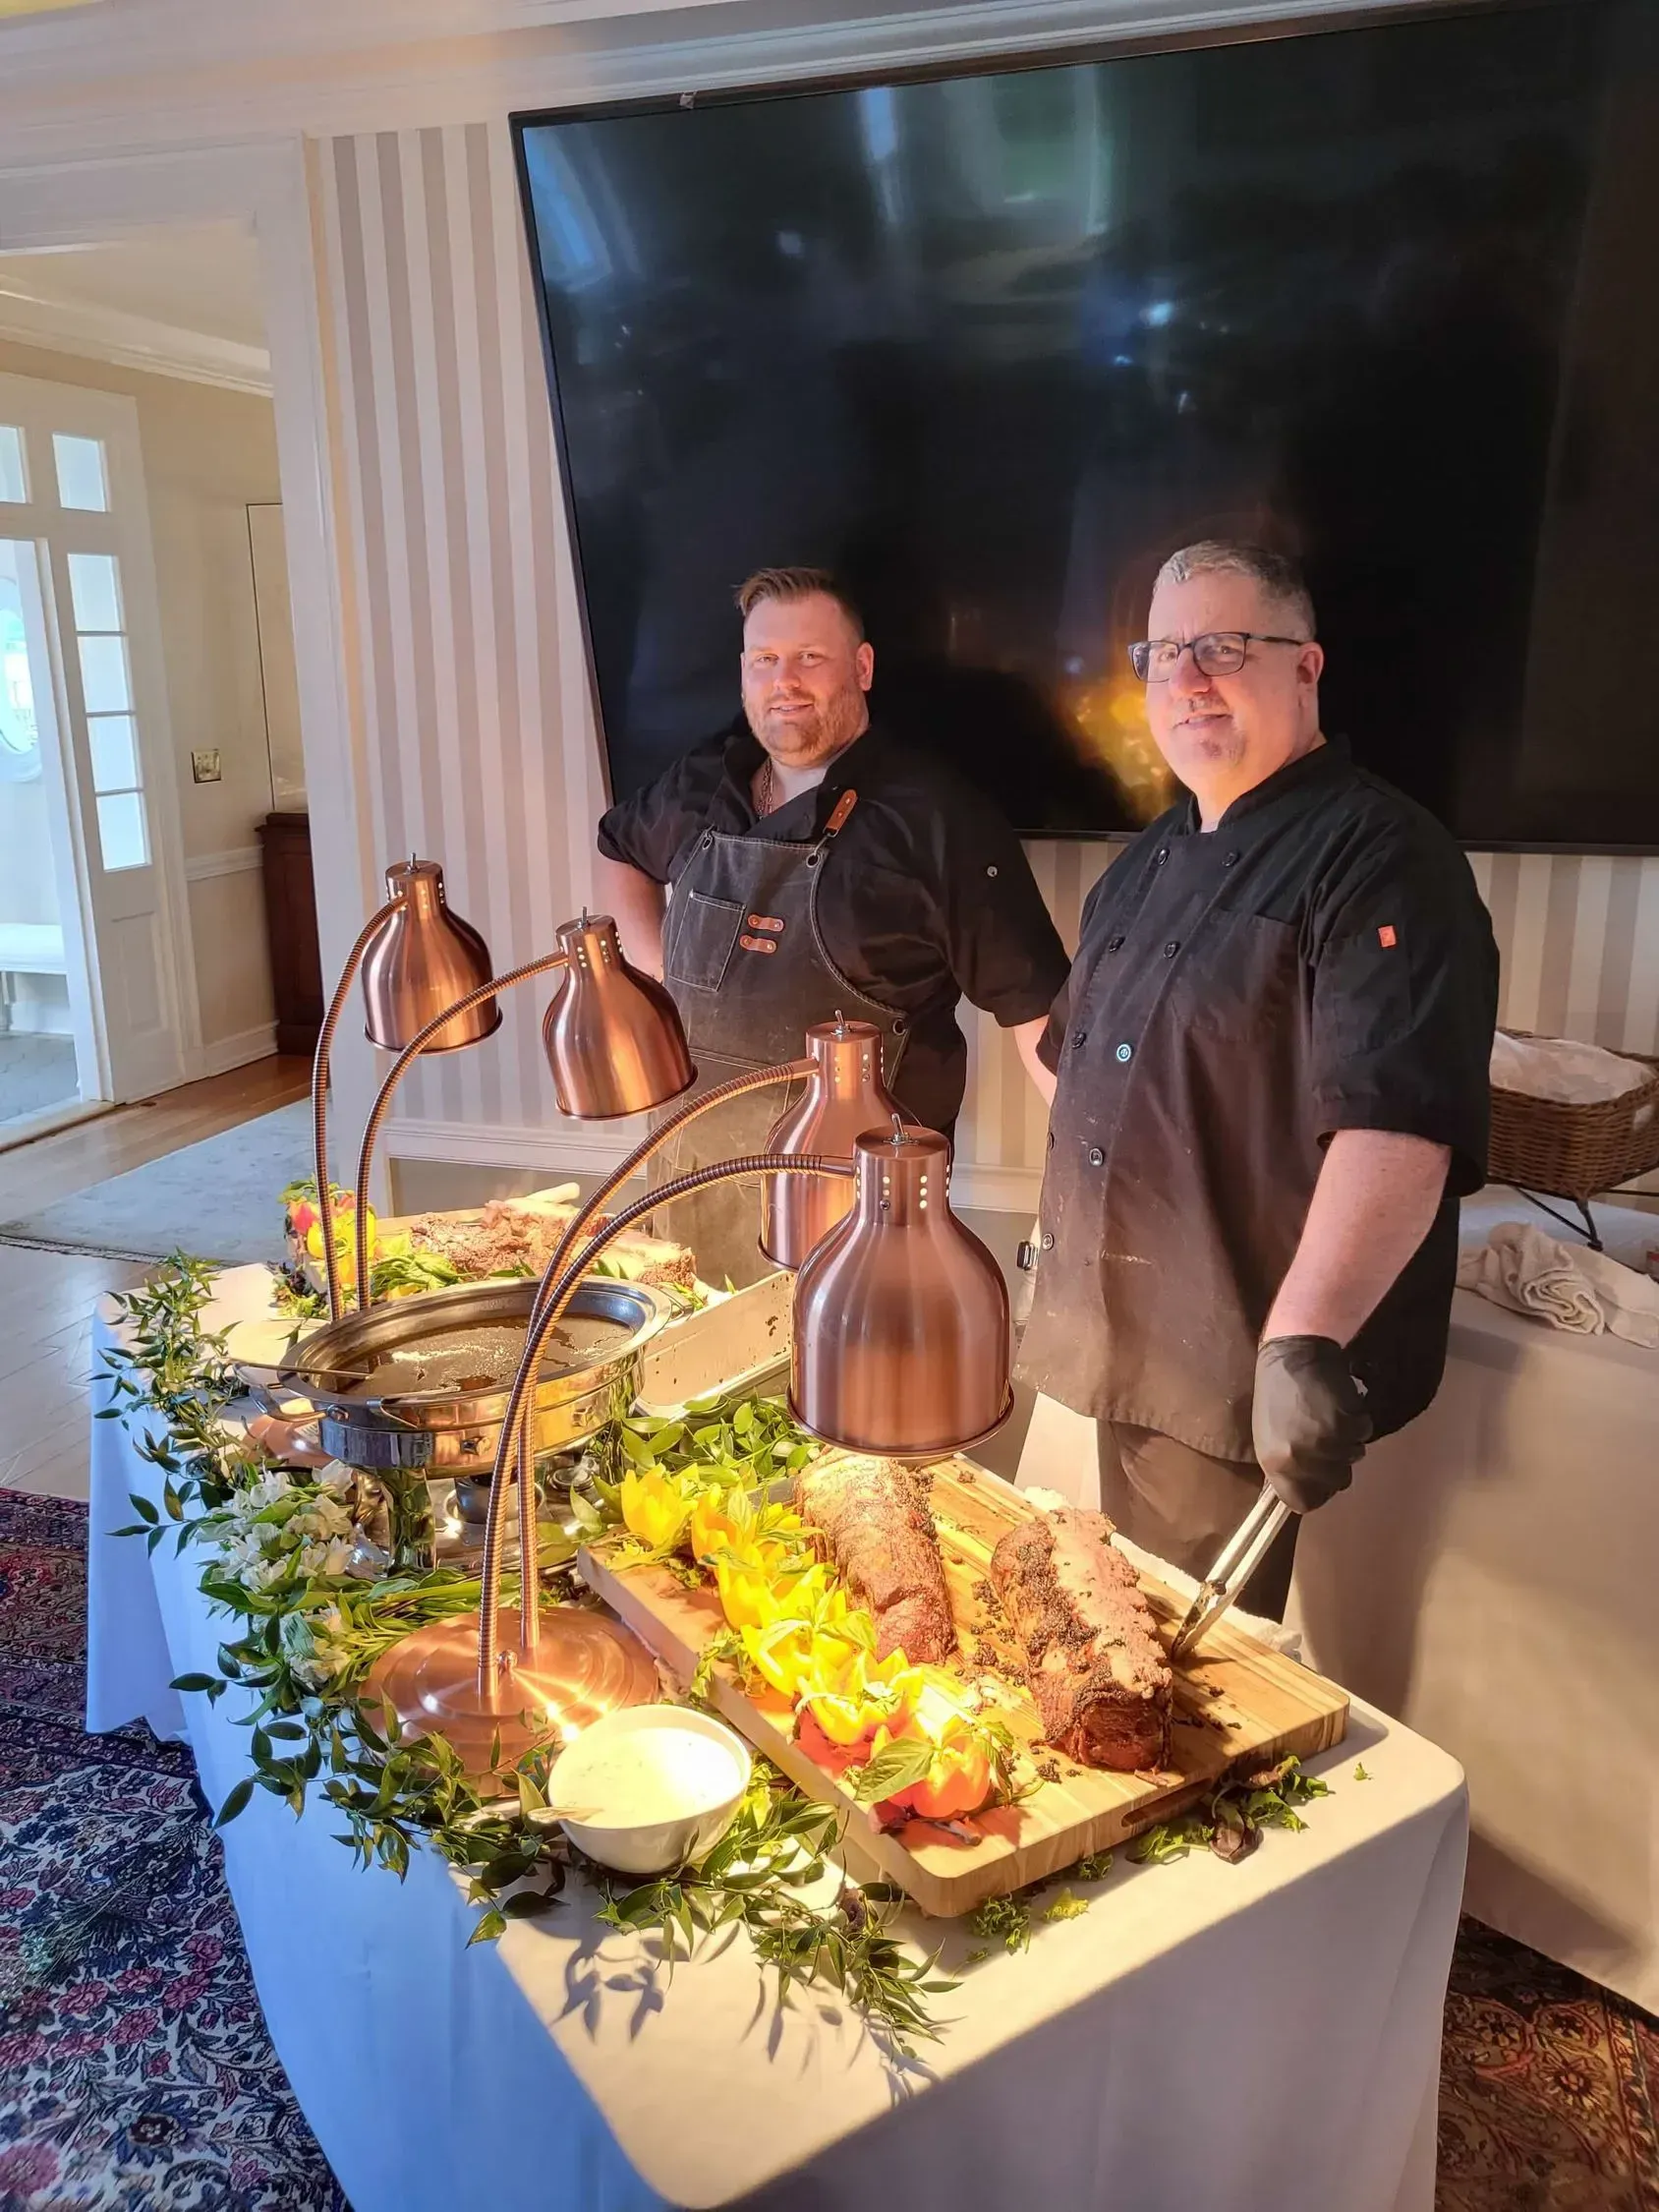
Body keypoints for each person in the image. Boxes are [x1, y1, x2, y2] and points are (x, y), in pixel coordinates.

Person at [1016, 540, 1498, 1614]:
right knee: (1101, 1634)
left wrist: (1301, 1339)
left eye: (1223, 647)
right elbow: (1077, 1070)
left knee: (1185, 1680)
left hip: (1234, 1363)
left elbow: (1398, 1125)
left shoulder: (1383, 858)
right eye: (1163, 653)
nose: (1186, 678)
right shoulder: (1139, 866)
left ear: (1305, 667)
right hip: (1113, 1334)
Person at [595, 565, 1070, 1285]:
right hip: (688, 1196)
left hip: (863, 1230)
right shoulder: (703, 780)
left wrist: (1092, 1179)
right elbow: (618, 850)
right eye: (764, 659)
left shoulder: (939, 820)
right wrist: (660, 976)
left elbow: (1039, 1015)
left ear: (863, 667)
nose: (783, 681)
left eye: (809, 657)